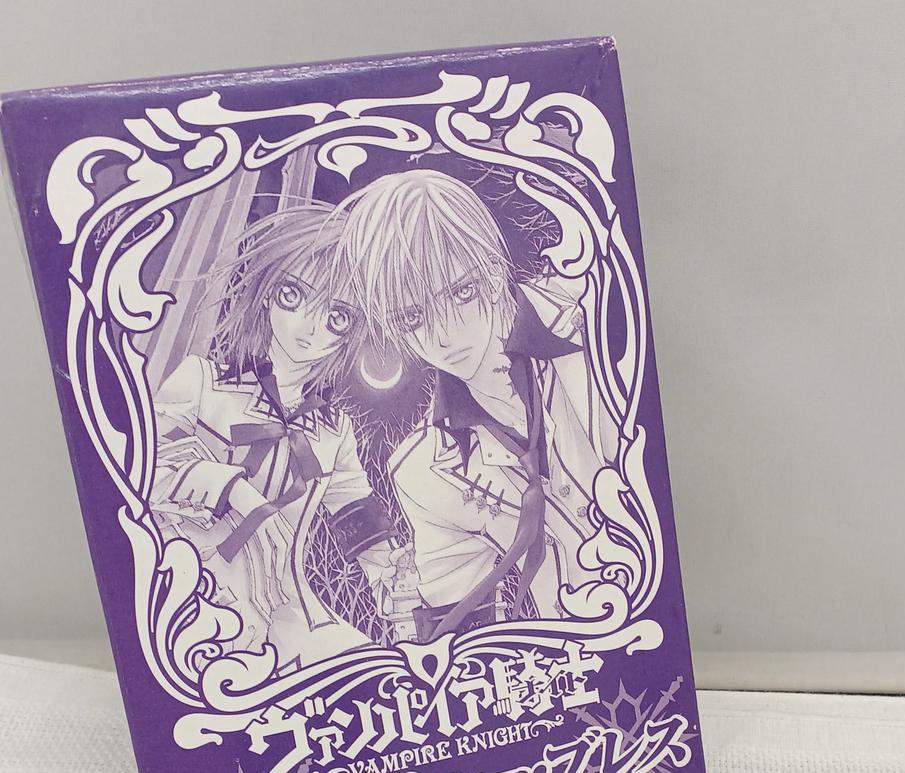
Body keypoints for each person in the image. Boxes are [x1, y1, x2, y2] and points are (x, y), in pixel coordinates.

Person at [324, 170, 619, 641]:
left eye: (460, 293)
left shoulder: (598, 318)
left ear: (494, 270)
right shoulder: (424, 473)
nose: (444, 335)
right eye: (412, 317)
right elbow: (460, 635)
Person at [149, 202, 413, 669]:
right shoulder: (202, 383)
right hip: (193, 584)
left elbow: (360, 519)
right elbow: (141, 473)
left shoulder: (332, 431)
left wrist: (394, 575)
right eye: (294, 295)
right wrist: (234, 490)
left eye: (337, 317)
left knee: (366, 670)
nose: (310, 328)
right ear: (268, 293)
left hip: (285, 607)